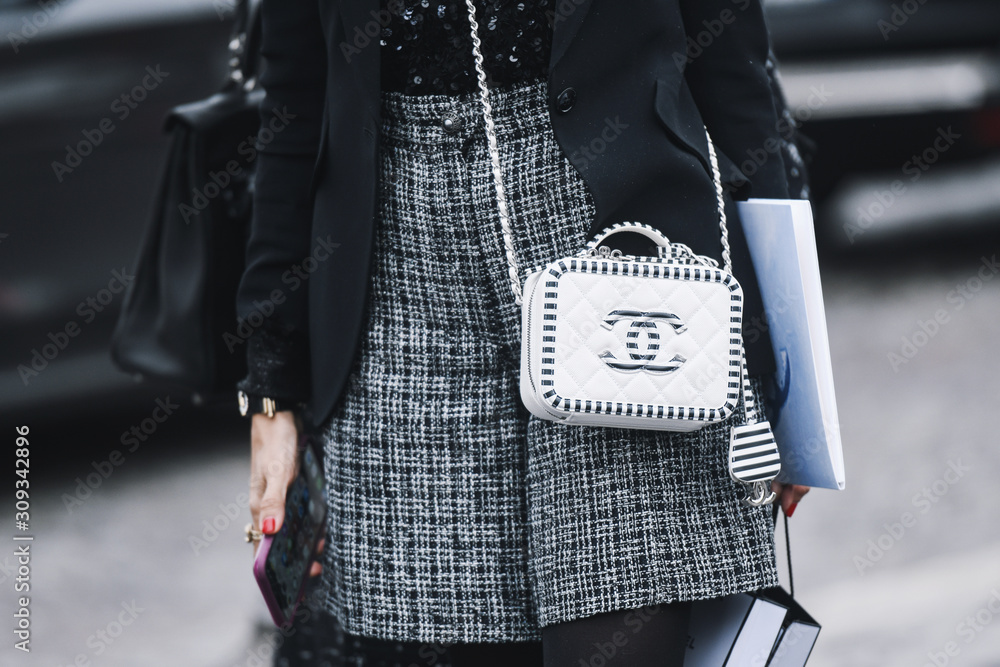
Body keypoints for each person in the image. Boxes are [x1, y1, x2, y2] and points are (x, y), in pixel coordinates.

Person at [237, 1, 811, 665]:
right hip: (402, 275)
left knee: (620, 624)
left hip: (621, 253)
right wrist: (272, 387)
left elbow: (736, 73)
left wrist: (791, 374)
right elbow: (294, 106)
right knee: (459, 641)